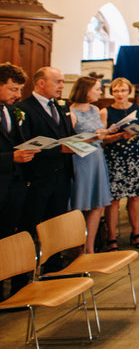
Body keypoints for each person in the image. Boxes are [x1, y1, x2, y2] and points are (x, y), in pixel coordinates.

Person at [17, 67, 74, 238]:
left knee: (56, 223)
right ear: (41, 83)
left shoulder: (61, 106)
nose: (62, 86)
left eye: (63, 81)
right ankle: (31, 263)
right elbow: (24, 144)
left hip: (62, 173)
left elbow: (66, 134)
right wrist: (59, 149)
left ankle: (54, 263)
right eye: (58, 82)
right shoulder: (23, 108)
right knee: (32, 224)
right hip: (38, 177)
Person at [101, 77, 139, 250]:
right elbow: (101, 139)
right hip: (114, 156)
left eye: (123, 90)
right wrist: (117, 135)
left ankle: (136, 232)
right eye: (115, 91)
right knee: (114, 199)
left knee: (135, 196)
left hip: (134, 155)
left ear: (129, 92)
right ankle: (111, 236)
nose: (119, 94)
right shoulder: (105, 112)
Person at [68, 77, 112, 254]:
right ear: (86, 90)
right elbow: (69, 142)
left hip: (97, 157)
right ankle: (77, 249)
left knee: (97, 204)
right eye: (97, 89)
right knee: (80, 205)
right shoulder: (71, 113)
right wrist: (94, 136)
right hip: (81, 160)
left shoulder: (95, 109)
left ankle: (90, 247)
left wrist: (107, 133)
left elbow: (99, 133)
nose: (100, 92)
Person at [0, 63, 36, 239]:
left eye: (20, 89)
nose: (18, 95)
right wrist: (11, 157)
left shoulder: (12, 109)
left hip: (14, 184)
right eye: (13, 89)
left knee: (8, 235)